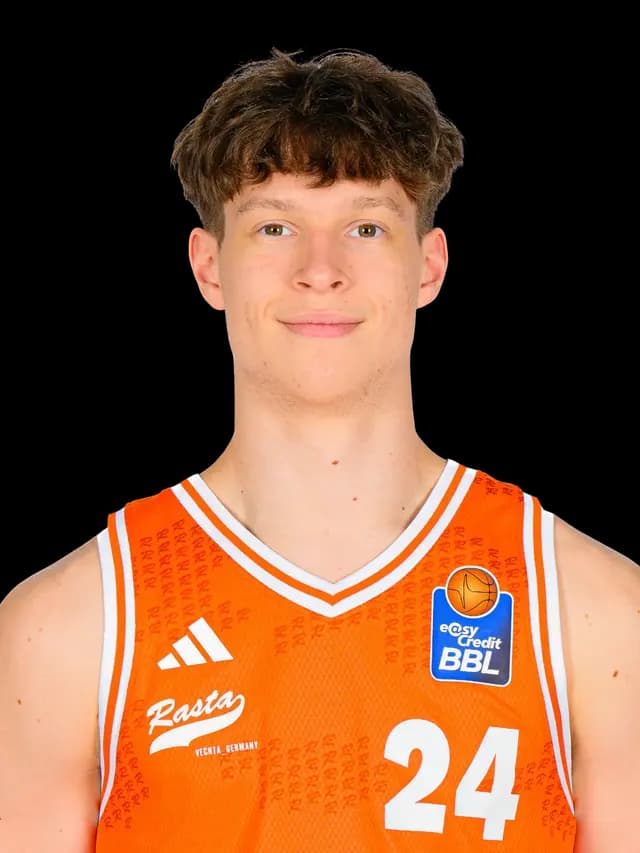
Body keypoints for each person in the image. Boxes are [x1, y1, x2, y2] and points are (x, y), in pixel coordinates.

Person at [0, 47, 637, 853]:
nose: (320, 270)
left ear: (429, 267)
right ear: (209, 267)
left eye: (366, 227)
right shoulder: (72, 625)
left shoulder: (589, 611)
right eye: (275, 227)